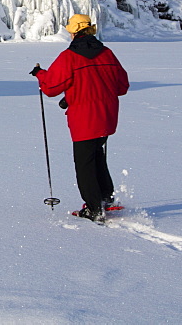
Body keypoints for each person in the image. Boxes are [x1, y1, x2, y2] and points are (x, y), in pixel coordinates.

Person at [30, 14, 129, 222]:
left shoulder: (70, 56)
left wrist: (40, 74)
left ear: (74, 32)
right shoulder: (107, 54)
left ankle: (94, 208)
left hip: (84, 119)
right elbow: (121, 86)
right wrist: (74, 95)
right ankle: (105, 198)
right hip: (107, 116)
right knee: (97, 155)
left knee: (84, 163)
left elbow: (51, 87)